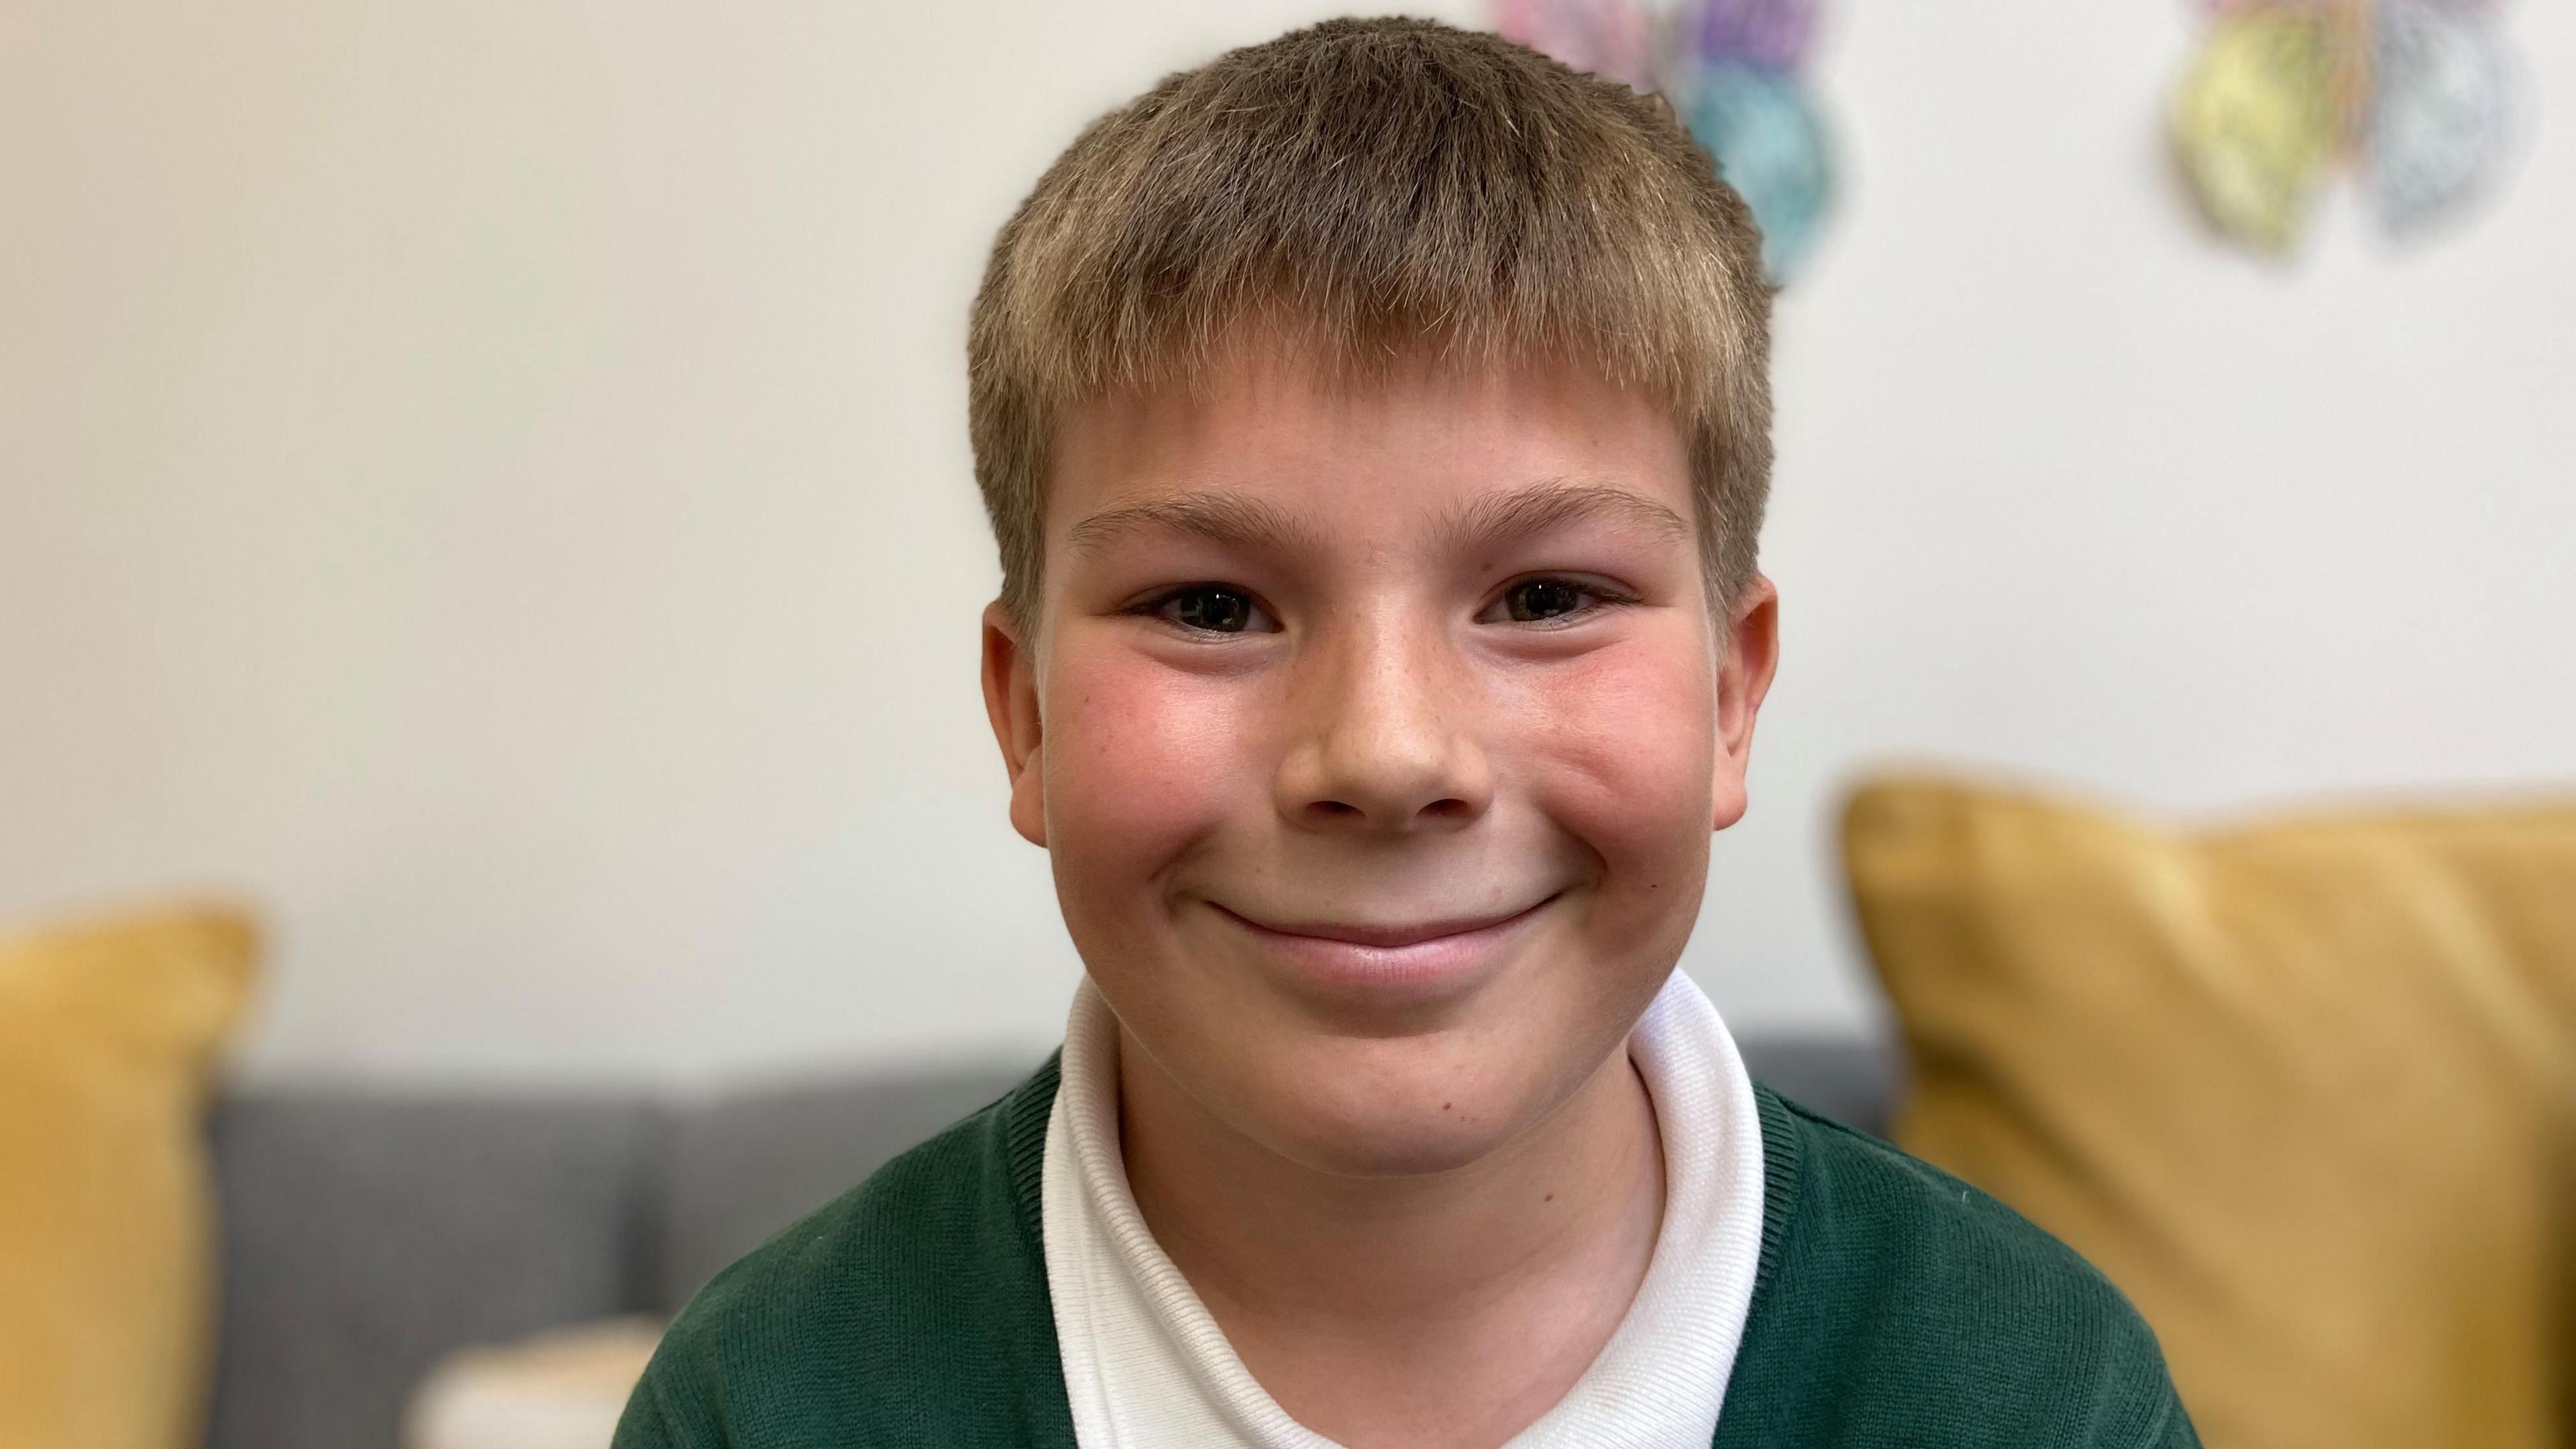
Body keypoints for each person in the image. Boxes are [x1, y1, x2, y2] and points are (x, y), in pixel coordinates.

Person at [613, 17, 2196, 1448]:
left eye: (1548, 594)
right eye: (1213, 609)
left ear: (1730, 696)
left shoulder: (2033, 1395)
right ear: (1024, 717)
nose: (1383, 754)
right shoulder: (766, 1404)